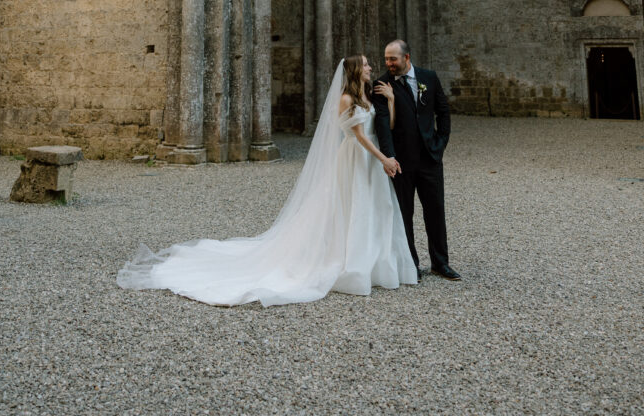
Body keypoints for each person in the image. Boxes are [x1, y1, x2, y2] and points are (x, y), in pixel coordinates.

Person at [117, 55, 417, 306]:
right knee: (351, 207)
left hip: (370, 159)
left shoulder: (367, 96)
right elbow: (359, 137)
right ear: (354, 71)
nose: (370, 67)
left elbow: (382, 128)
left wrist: (390, 103)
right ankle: (350, 265)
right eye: (364, 64)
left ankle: (372, 263)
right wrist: (384, 159)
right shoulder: (346, 98)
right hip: (356, 158)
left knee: (371, 209)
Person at [373, 39, 461, 282]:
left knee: (435, 211)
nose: (389, 63)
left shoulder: (429, 78)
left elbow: (443, 112)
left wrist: (441, 144)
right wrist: (389, 156)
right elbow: (382, 124)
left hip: (430, 157)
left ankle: (440, 263)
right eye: (387, 59)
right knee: (405, 213)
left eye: (393, 59)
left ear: (407, 57)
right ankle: (411, 264)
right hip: (402, 161)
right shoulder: (381, 84)